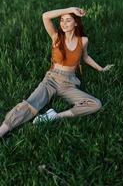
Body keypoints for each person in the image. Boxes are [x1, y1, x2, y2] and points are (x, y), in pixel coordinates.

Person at [0, 7, 114, 137]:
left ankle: (54, 117)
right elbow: (45, 16)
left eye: (68, 20)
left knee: (95, 104)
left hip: (69, 83)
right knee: (30, 104)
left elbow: (85, 57)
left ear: (76, 23)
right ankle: (3, 129)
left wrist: (101, 69)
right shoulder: (56, 37)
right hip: (51, 80)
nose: (64, 23)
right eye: (61, 20)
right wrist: (71, 9)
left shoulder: (83, 41)